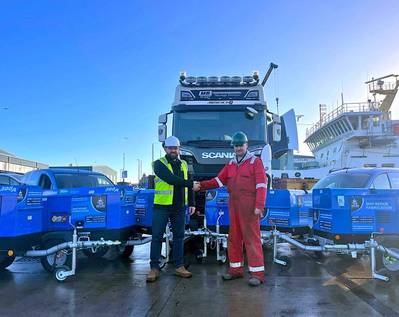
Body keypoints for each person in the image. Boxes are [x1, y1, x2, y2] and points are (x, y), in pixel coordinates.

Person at [195, 131, 267, 286]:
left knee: (252, 239)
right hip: (233, 204)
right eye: (235, 145)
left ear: (246, 145)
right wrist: (200, 186)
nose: (238, 148)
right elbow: (219, 181)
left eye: (241, 145)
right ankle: (236, 270)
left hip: (249, 206)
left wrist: (259, 206)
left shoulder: (256, 162)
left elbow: (261, 185)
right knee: (234, 238)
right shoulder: (230, 164)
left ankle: (257, 274)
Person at [146, 136, 200, 283]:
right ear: (165, 149)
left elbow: (190, 186)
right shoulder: (158, 164)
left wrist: (192, 203)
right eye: (170, 148)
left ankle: (179, 266)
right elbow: (170, 179)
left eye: (175, 148)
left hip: (179, 207)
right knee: (157, 236)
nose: (173, 151)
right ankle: (154, 268)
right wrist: (190, 184)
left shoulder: (183, 164)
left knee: (178, 237)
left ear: (179, 149)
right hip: (161, 207)